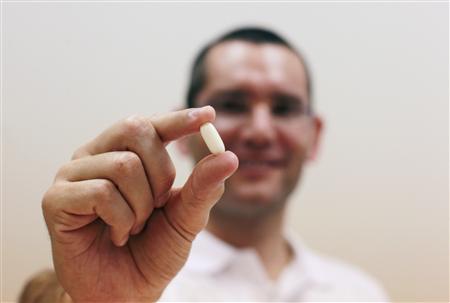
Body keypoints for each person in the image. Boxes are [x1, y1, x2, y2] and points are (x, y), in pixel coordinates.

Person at [24, 26, 388, 302]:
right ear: (183, 130)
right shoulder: (123, 280)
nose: (260, 132)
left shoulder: (360, 293)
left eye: (284, 108)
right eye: (232, 104)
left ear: (315, 136)